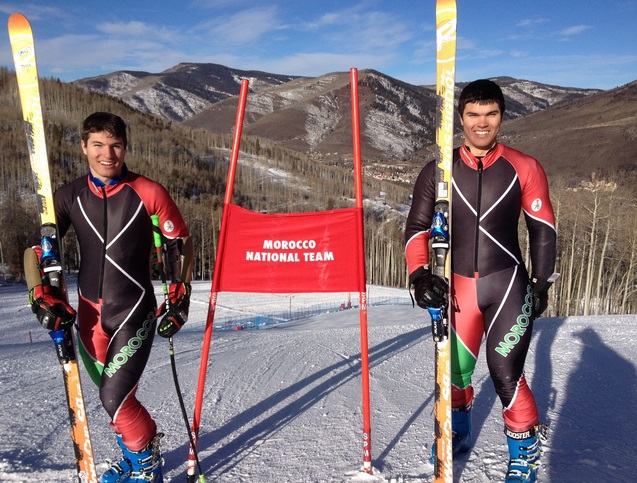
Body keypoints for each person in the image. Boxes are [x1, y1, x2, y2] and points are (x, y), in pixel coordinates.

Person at [25, 112, 194, 483]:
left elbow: (179, 244)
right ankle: (138, 455)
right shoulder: (69, 196)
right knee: (113, 398)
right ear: (84, 146)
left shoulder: (148, 191)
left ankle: (146, 469)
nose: (107, 154)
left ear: (125, 147)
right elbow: (38, 250)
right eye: (98, 144)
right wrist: (39, 293)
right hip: (88, 316)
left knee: (114, 398)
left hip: (133, 310)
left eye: (115, 145)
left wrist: (179, 296)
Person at [404, 80, 557, 483]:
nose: (482, 123)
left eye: (491, 114)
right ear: (461, 118)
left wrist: (540, 284)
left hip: (507, 285)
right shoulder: (439, 169)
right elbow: (418, 227)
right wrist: (420, 276)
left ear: (502, 117)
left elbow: (543, 230)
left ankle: (523, 455)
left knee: (505, 372)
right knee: (454, 371)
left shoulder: (524, 166)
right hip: (458, 289)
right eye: (473, 114)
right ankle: (460, 429)